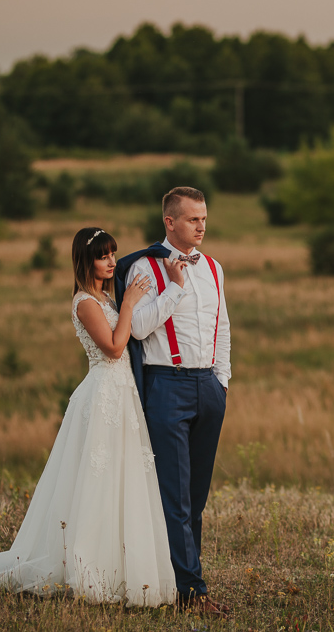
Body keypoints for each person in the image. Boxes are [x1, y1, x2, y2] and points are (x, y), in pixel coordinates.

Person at [0, 227, 177, 608]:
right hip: (104, 391)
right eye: (104, 256)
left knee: (123, 476)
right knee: (97, 479)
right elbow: (115, 348)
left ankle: (122, 565)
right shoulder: (86, 302)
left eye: (113, 254)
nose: (112, 262)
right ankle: (90, 566)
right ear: (86, 260)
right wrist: (131, 303)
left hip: (122, 394)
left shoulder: (104, 296)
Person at [115, 186, 231, 616]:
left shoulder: (215, 268)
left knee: (196, 497)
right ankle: (192, 592)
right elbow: (140, 328)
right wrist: (176, 286)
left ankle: (180, 579)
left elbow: (222, 326)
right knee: (175, 497)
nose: (201, 226)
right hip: (167, 386)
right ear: (170, 222)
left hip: (208, 388)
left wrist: (222, 380)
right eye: (192, 219)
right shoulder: (145, 267)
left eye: (204, 218)